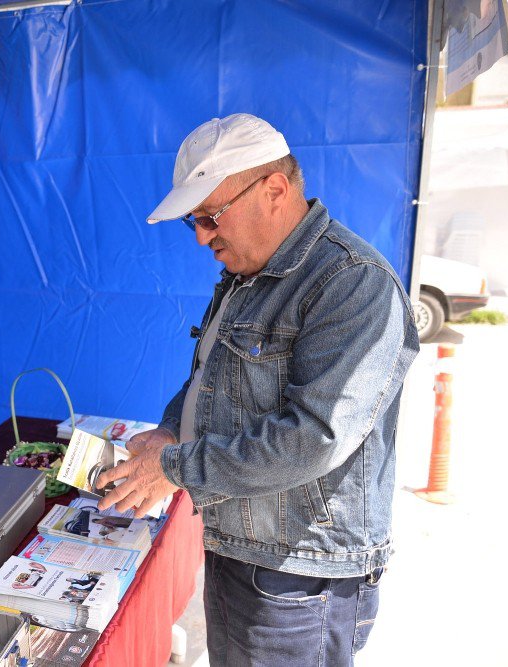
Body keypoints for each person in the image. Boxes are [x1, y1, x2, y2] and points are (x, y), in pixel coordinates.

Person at [95, 114, 419, 665]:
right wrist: (172, 429)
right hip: (244, 548)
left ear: (275, 189)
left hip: (298, 578)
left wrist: (174, 467)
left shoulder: (352, 282)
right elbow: (209, 377)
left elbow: (314, 436)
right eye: (193, 221)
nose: (201, 236)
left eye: (209, 216)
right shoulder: (250, 275)